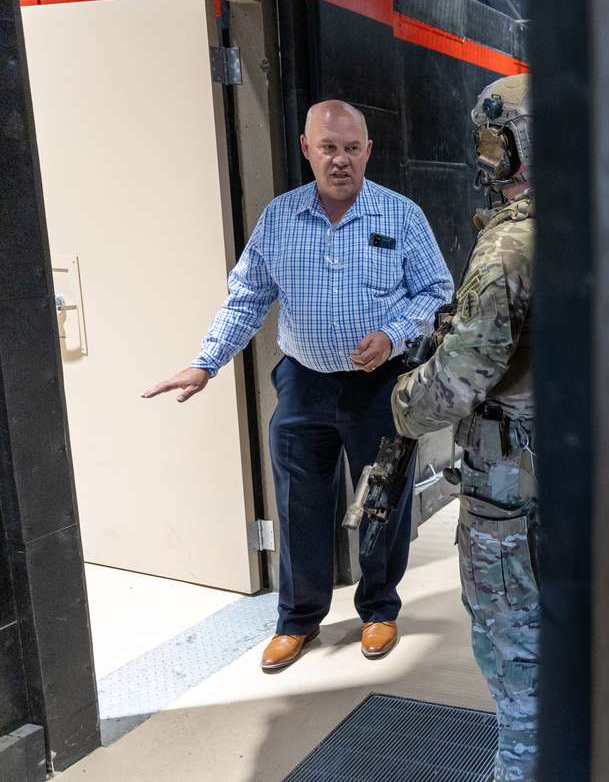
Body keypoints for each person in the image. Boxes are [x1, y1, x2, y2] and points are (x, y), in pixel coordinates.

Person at [143, 100, 453, 671]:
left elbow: (436, 290)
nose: (341, 160)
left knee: (381, 500)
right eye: (329, 147)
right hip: (304, 388)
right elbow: (248, 298)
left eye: (352, 148)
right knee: (299, 504)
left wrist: (392, 333)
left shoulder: (401, 216)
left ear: (368, 151)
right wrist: (206, 363)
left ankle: (379, 608)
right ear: (306, 149)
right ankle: (298, 621)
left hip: (380, 390)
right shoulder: (280, 219)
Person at [390, 74, 536, 781]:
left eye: (492, 138)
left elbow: (457, 381)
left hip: (513, 502)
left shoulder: (509, 247)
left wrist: (403, 399)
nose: (484, 156)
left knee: (521, 687)